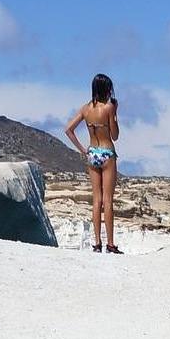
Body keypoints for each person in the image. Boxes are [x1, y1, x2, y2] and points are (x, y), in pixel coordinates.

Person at [66, 74, 122, 253]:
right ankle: (110, 244)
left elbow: (68, 130)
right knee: (108, 200)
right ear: (107, 89)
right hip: (107, 152)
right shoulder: (109, 107)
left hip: (92, 153)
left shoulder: (85, 109)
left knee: (96, 200)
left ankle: (97, 243)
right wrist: (114, 115)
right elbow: (115, 135)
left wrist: (83, 150)